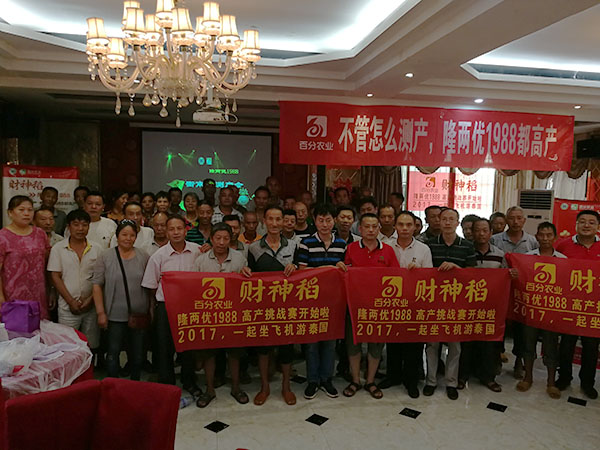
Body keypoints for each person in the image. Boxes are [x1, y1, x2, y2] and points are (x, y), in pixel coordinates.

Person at [141, 215, 202, 396]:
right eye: (171, 229)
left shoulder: (198, 251)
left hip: (190, 307)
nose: (176, 232)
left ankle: (189, 381)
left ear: (186, 230)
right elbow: (151, 285)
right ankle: (168, 385)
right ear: (166, 232)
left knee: (189, 346)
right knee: (164, 347)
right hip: (166, 307)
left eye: (179, 228)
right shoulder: (158, 256)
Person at [194, 223, 252, 407]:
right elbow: (193, 288)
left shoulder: (239, 258)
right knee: (209, 354)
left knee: (234, 353)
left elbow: (247, 286)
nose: (221, 242)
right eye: (217, 238)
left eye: (225, 238)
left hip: (233, 314)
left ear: (230, 239)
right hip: (209, 315)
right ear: (211, 239)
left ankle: (235, 387)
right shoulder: (201, 261)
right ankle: (209, 390)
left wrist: (246, 274)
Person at [343, 212, 399, 399]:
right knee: (353, 345)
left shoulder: (388, 251)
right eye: (367, 226)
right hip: (355, 306)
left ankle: (370, 381)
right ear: (360, 229)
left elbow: (396, 278)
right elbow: (345, 274)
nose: (370, 230)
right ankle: (355, 380)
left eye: (374, 227)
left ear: (379, 229)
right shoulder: (351, 248)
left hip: (378, 307)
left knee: (376, 346)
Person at [247, 206, 298, 406]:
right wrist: (245, 271)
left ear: (284, 221)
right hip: (264, 307)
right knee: (263, 348)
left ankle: (286, 387)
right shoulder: (254, 248)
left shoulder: (294, 245)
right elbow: (250, 275)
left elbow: (303, 274)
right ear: (264, 221)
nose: (275, 223)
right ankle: (265, 387)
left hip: (287, 306)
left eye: (279, 219)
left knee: (287, 348)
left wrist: (295, 268)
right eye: (271, 219)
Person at [424, 207, 476, 400]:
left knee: (455, 345)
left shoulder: (467, 246)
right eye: (443, 219)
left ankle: (451, 382)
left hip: (457, 301)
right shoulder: (429, 245)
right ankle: (431, 381)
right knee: (432, 343)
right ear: (438, 221)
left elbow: (473, 274)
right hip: (434, 301)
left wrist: (456, 268)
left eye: (451, 219)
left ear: (457, 223)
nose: (447, 222)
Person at [296, 204, 347, 400]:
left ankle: (327, 379)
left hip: (333, 301)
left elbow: (346, 271)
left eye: (328, 220)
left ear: (334, 221)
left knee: (330, 343)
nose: (324, 224)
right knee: (311, 344)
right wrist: (328, 269)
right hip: (311, 300)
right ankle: (312, 380)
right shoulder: (306, 242)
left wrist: (340, 267)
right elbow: (302, 271)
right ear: (314, 221)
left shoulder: (341, 244)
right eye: (320, 220)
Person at [381, 211, 432, 398]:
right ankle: (393, 376)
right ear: (395, 226)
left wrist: (418, 272)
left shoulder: (423, 249)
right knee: (393, 342)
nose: (404, 228)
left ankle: (411, 381)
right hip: (392, 302)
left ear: (415, 227)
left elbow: (429, 277)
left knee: (414, 344)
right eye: (401, 224)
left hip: (414, 303)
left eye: (408, 225)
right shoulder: (386, 247)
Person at [92, 220, 150, 381]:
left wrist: (150, 309)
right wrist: (101, 313)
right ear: (117, 236)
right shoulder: (106, 256)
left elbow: (150, 284)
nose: (128, 238)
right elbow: (97, 285)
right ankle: (113, 384)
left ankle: (134, 384)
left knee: (137, 354)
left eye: (132, 235)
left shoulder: (143, 256)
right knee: (113, 351)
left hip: (138, 314)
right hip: (114, 315)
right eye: (124, 234)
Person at [516, 222, 565, 398]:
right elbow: (521, 281)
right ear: (536, 237)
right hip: (531, 310)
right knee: (528, 345)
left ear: (555, 237)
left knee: (551, 347)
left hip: (552, 312)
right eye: (542, 235)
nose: (545, 238)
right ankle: (527, 378)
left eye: (549, 235)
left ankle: (551, 382)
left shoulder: (563, 260)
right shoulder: (527, 257)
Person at [555, 210, 600, 399]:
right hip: (569, 305)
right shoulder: (563, 245)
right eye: (582, 221)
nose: (586, 225)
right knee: (566, 344)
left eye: (591, 222)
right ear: (576, 225)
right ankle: (564, 377)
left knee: (591, 346)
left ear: (597, 226)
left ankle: (587, 383)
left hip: (594, 308)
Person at [490, 206, 538, 379]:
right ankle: (496, 358)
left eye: (519, 218)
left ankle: (519, 361)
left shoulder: (532, 241)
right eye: (511, 218)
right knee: (499, 325)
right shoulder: (495, 240)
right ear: (506, 220)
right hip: (500, 290)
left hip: (522, 293)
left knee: (521, 328)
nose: (515, 222)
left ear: (524, 220)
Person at [458, 218, 504, 393]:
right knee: (466, 343)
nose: (481, 234)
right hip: (468, 305)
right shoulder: (465, 251)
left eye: (485, 230)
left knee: (489, 344)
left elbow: (504, 277)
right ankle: (462, 376)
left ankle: (488, 377)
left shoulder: (500, 254)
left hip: (490, 306)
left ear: (491, 233)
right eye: (477, 230)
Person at [48, 210, 101, 351]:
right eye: (76, 224)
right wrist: (71, 301)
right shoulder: (58, 248)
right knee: (68, 346)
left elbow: (100, 278)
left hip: (91, 306)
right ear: (68, 227)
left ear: (89, 227)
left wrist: (90, 300)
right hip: (67, 307)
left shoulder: (97, 249)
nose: (80, 229)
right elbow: (55, 276)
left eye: (84, 225)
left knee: (91, 345)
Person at [0, 196, 51, 319]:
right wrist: (1, 298)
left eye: (30, 210)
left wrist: (51, 291)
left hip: (38, 295)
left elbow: (47, 264)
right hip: (12, 296)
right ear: (10, 213)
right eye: (21, 210)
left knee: (39, 327)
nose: (26, 213)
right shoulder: (3, 236)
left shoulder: (40, 234)